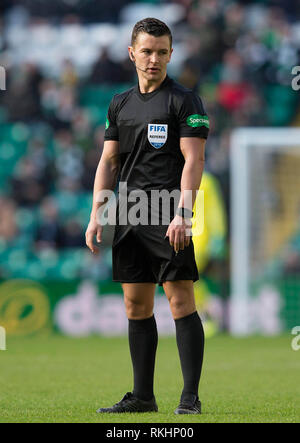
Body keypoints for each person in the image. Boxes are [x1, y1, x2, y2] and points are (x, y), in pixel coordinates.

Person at [85, 18, 209, 415]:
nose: (153, 59)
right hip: (128, 212)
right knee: (136, 307)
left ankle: (189, 398)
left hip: (169, 211)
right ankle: (143, 397)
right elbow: (108, 161)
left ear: (171, 54)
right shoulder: (119, 103)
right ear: (131, 53)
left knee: (180, 302)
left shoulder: (184, 100)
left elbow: (195, 160)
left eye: (161, 52)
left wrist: (183, 213)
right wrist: (96, 214)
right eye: (146, 51)